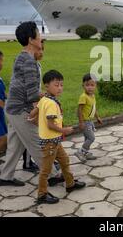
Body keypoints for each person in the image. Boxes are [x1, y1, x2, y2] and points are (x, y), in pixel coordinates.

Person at [0, 21, 61, 187]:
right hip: (19, 110)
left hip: (11, 108)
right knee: (37, 143)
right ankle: (53, 175)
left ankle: (5, 177)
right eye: (38, 34)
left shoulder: (21, 56)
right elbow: (32, 94)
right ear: (31, 39)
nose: (41, 38)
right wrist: (49, 96)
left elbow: (22, 86)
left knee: (15, 146)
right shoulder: (29, 62)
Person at [29, 70, 86, 204]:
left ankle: (70, 184)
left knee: (64, 160)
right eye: (56, 85)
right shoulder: (51, 103)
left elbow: (33, 112)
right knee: (46, 169)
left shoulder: (44, 99)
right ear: (46, 86)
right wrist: (64, 130)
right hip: (50, 141)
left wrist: (33, 116)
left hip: (54, 140)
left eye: (61, 85)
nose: (60, 88)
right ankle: (42, 195)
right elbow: (50, 124)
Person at [22, 39, 45, 173]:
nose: (41, 52)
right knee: (30, 135)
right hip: (28, 104)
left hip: (36, 102)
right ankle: (27, 163)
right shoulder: (29, 66)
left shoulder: (38, 65)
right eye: (39, 49)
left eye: (43, 49)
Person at [74, 73, 102, 162]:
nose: (90, 87)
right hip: (85, 122)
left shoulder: (92, 96)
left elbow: (94, 108)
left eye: (92, 85)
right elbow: (79, 110)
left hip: (90, 121)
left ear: (95, 86)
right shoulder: (83, 97)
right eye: (87, 85)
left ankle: (85, 153)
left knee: (87, 138)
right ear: (83, 86)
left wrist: (97, 117)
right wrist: (81, 122)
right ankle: (81, 151)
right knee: (91, 138)